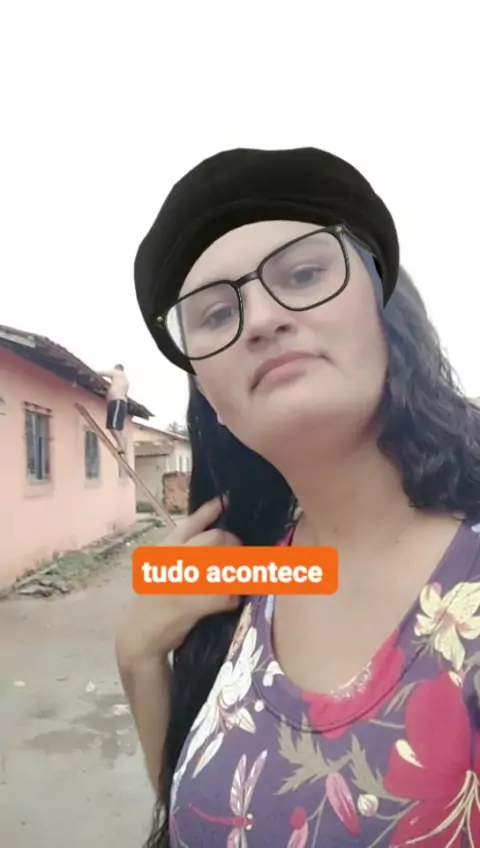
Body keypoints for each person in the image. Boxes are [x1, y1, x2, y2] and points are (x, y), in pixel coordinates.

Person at [116, 147, 480, 847]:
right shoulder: (257, 573)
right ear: (212, 400)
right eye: (215, 314)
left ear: (387, 312)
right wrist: (137, 658)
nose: (259, 319)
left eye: (304, 274)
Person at [97, 363, 129, 454]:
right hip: (121, 402)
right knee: (118, 427)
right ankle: (123, 444)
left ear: (117, 368)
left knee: (112, 426)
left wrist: (93, 372)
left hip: (116, 401)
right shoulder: (124, 380)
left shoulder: (118, 373)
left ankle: (121, 445)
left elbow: (102, 373)